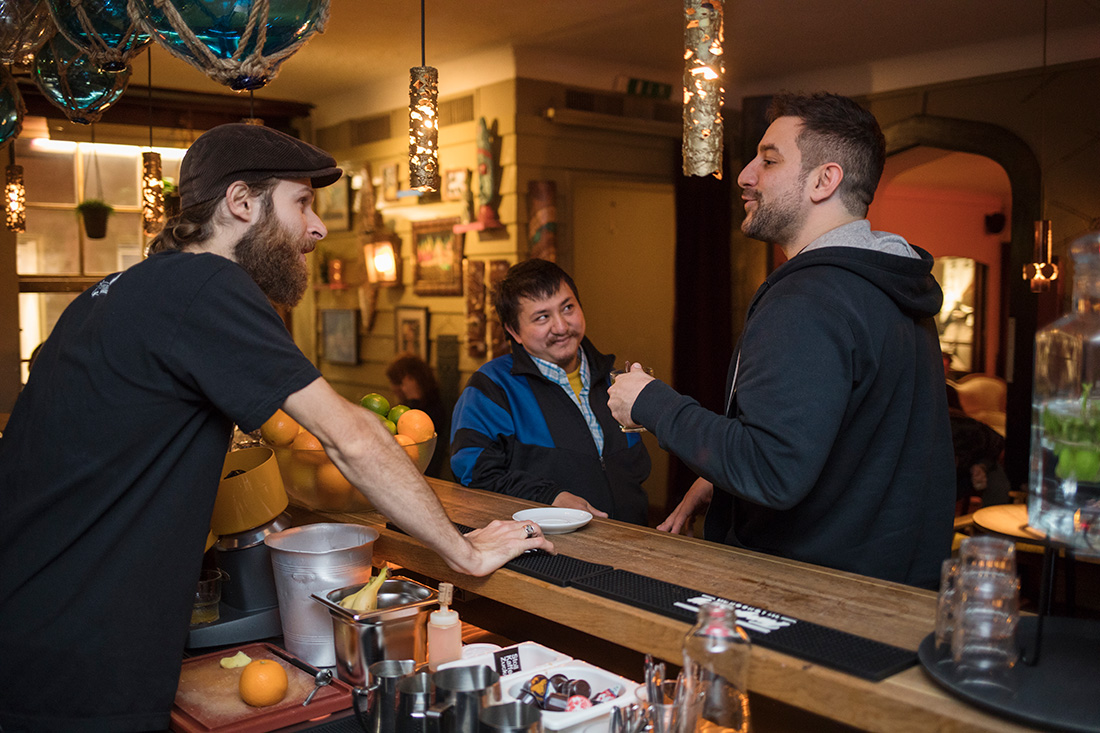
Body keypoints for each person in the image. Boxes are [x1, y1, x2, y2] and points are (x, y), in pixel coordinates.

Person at [0, 123, 553, 732]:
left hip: (35, 632)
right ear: (241, 203)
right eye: (303, 203)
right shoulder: (205, 284)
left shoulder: (117, 295)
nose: (317, 228)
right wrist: (464, 550)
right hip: (80, 661)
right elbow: (349, 435)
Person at [608, 92, 955, 588]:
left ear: (824, 180)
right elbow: (848, 442)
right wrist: (720, 480)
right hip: (888, 588)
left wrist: (651, 403)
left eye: (769, 160)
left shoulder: (808, 298)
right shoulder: (886, 281)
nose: (746, 176)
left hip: (808, 597)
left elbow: (773, 471)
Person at [450, 258, 651, 524]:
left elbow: (634, 468)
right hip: (545, 550)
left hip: (629, 540)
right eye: (542, 317)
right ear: (514, 331)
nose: (561, 327)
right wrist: (549, 496)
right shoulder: (491, 388)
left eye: (568, 308)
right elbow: (474, 473)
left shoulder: (615, 381)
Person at [386, 352, 452, 479]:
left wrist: (413, 397)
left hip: (425, 475)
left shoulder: (435, 409)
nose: (396, 388)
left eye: (401, 382)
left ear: (413, 379)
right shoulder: (404, 407)